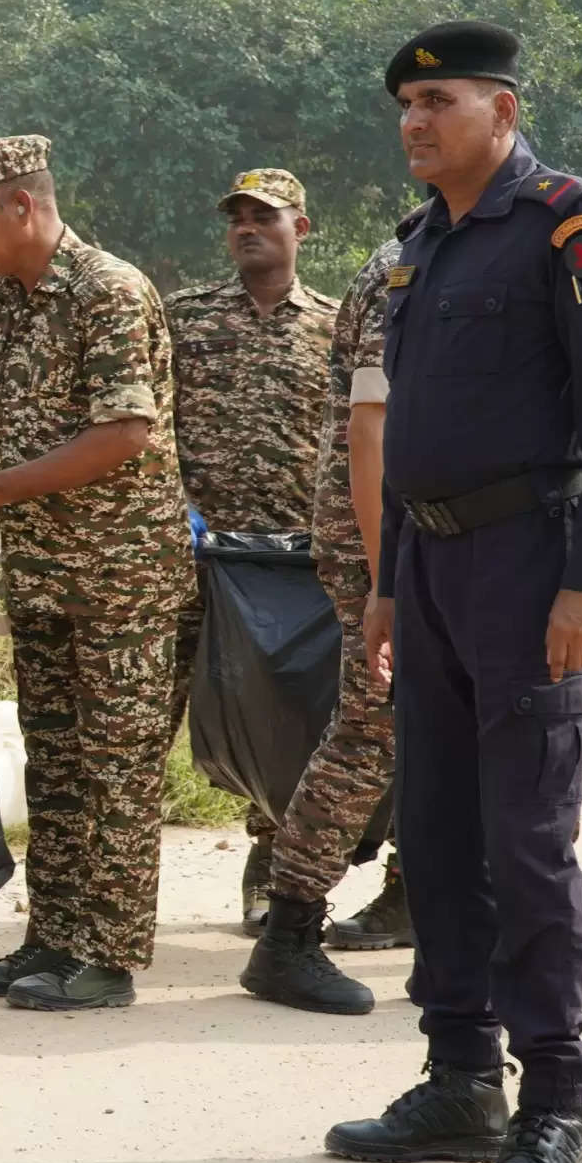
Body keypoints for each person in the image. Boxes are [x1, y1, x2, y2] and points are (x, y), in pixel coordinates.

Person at [324, 20, 582, 1163]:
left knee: (525, 843)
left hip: (527, 568)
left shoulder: (565, 222)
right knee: (440, 836)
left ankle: (553, 1103)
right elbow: (412, 434)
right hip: (433, 573)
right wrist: (383, 581)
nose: (414, 121)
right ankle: (460, 1076)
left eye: (439, 101)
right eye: (405, 104)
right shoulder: (424, 246)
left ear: (501, 112)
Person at [0, 135, 193, 1010]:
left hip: (120, 579)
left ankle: (110, 954)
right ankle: (53, 938)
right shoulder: (5, 292)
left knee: (116, 766)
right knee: (56, 763)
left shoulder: (110, 292)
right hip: (44, 573)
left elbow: (124, 433)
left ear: (23, 206)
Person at [164, 169, 339, 932]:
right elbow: (147, 424)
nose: (247, 227)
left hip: (289, 567)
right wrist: (180, 509)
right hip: (191, 553)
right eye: (236, 216)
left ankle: (272, 867)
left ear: (301, 228)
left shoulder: (337, 326)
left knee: (286, 718)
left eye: (264, 216)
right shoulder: (183, 318)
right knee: (146, 713)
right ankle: (100, 890)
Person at [240, 234, 401, 1015]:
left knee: (437, 733)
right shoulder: (408, 261)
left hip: (425, 536)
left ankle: (431, 905)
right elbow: (372, 425)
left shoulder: (476, 241)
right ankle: (289, 931)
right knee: (370, 732)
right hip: (383, 539)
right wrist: (386, 575)